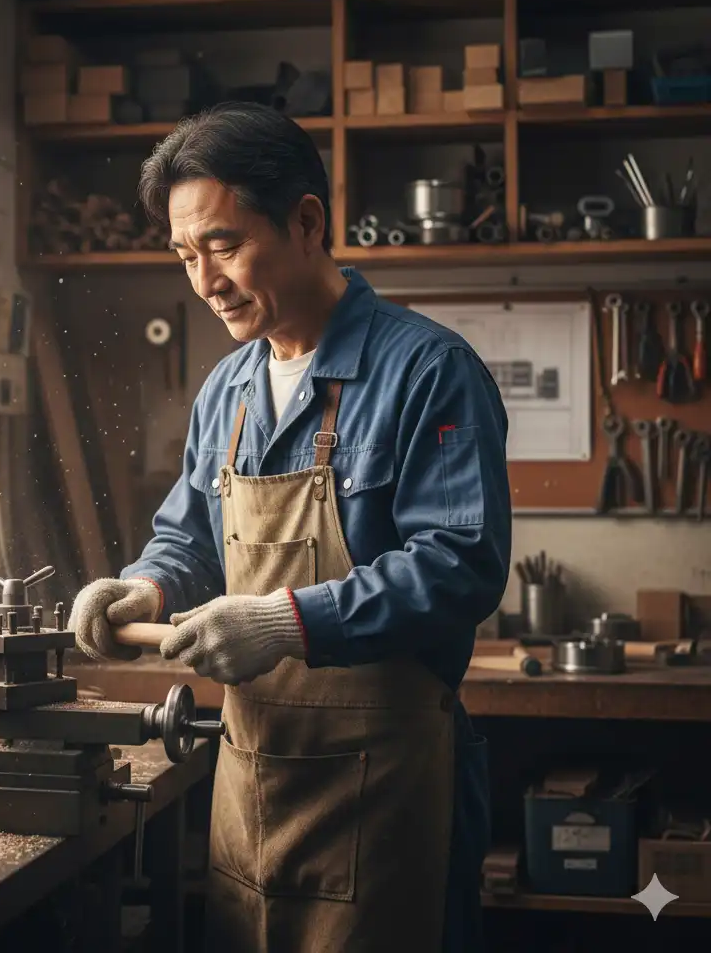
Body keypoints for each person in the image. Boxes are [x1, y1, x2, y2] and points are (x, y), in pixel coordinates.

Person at [69, 102, 511, 953]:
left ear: (306, 222)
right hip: (253, 788)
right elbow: (192, 541)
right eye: (184, 255)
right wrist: (145, 586)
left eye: (225, 246)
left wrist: (283, 622)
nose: (204, 281)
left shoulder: (428, 370)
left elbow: (461, 564)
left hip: (386, 799)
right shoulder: (226, 390)